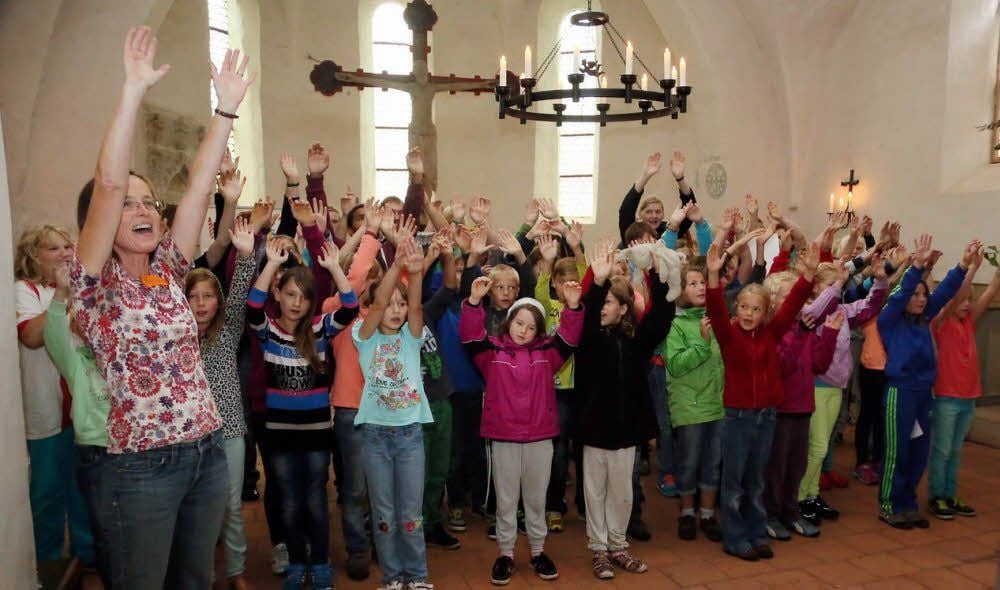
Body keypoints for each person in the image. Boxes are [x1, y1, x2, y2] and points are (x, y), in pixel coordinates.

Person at [69, 27, 254, 587]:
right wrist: (132, 92)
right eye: (129, 206)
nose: (143, 209)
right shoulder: (94, 286)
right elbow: (105, 182)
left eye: (149, 201)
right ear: (98, 225)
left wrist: (224, 110)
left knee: (194, 580)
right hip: (142, 466)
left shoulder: (168, 272)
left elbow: (197, 191)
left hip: (205, 451)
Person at [247, 238, 359, 590]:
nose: (298, 303)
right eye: (290, 294)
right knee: (290, 502)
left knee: (315, 497)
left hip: (315, 432)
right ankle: (297, 562)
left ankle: (321, 562)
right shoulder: (269, 333)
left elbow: (351, 306)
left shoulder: (320, 330)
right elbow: (252, 307)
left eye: (304, 297)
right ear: (278, 295)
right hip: (280, 433)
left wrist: (336, 269)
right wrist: (270, 264)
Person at [460, 275, 583, 585]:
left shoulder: (548, 355)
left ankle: (538, 551)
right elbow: (471, 337)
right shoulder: (491, 355)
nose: (524, 330)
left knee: (535, 499)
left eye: (531, 326)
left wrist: (573, 306)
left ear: (539, 331)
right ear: (508, 322)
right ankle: (506, 554)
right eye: (519, 323)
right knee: (505, 500)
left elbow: (568, 338)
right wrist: (474, 303)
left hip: (540, 438)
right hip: (503, 438)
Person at [706, 241, 818, 561]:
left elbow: (793, 304)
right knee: (735, 482)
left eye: (756, 309)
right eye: (744, 307)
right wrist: (713, 278)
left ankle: (755, 533)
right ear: (736, 308)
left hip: (766, 417)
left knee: (756, 481)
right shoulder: (729, 336)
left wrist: (808, 275)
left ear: (765, 312)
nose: (749, 314)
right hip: (738, 418)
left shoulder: (772, 332)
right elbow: (714, 310)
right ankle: (735, 536)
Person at [574, 237, 674, 579]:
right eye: (601, 301)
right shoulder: (589, 338)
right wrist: (597, 280)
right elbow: (583, 319)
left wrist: (657, 275)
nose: (603, 306)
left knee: (622, 491)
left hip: (626, 427)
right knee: (594, 490)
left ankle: (618, 545)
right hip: (594, 427)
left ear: (623, 307)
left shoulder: (634, 339)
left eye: (610, 302)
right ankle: (598, 549)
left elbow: (660, 319)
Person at [353, 238, 435, 590]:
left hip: (409, 436)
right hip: (375, 436)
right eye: (391, 304)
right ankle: (392, 576)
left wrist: (413, 273)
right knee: (384, 514)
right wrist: (394, 268)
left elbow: (416, 309)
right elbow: (379, 302)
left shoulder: (411, 337)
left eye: (400, 305)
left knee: (410, 514)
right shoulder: (364, 335)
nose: (396, 310)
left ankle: (415, 576)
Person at [876, 235, 974, 529]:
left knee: (919, 452)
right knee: (898, 451)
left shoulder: (925, 317)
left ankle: (908, 502)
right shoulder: (889, 320)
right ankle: (889, 504)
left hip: (923, 393)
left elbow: (943, 293)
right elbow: (902, 291)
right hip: (900, 392)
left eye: (922, 295)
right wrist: (916, 267)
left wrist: (962, 266)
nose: (921, 299)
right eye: (915, 295)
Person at [16, 224, 95, 570]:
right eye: (53, 249)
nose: (65, 253)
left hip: (80, 411)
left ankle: (86, 557)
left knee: (82, 491)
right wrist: (62, 297)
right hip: (44, 413)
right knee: (47, 494)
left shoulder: (78, 287)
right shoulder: (24, 290)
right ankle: (47, 565)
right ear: (33, 256)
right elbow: (32, 337)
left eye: (67, 247)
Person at [185, 215, 257, 589]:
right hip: (189, 435)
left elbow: (242, 291)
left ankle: (235, 571)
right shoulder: (174, 338)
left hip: (228, 430)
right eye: (193, 297)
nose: (201, 303)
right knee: (198, 510)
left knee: (230, 506)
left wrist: (245, 256)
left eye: (208, 296)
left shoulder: (227, 331)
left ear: (218, 301)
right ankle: (202, 575)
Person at [928, 250, 998, 519]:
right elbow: (955, 296)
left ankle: (949, 493)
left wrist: (995, 272)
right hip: (947, 397)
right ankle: (937, 495)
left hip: (969, 397)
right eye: (963, 301)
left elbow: (990, 294)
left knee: (956, 451)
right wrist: (970, 269)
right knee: (943, 449)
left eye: (969, 300)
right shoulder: (940, 323)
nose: (967, 304)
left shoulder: (968, 322)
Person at [665, 262, 724, 542]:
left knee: (713, 462)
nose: (700, 287)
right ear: (680, 290)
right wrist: (701, 342)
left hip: (719, 404)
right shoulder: (675, 324)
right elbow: (675, 365)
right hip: (689, 406)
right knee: (689, 462)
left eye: (704, 282)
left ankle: (709, 513)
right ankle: (687, 512)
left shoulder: (718, 317)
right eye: (693, 283)